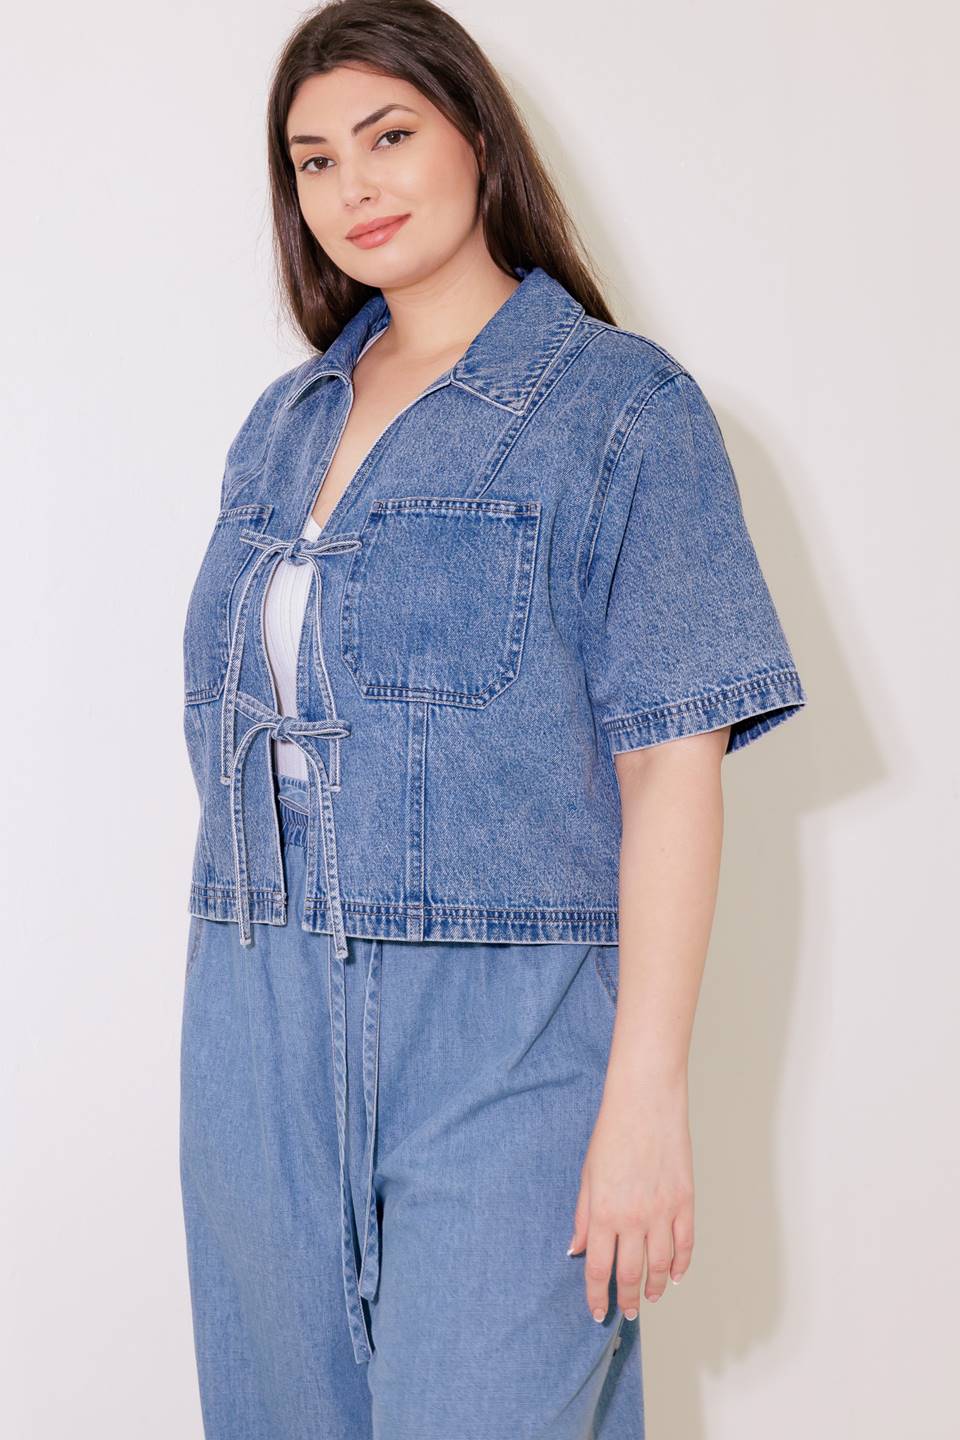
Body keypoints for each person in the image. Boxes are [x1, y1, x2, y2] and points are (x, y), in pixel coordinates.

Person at [177, 1, 807, 1435]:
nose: (355, 186)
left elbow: (673, 774)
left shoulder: (623, 413)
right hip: (253, 1022)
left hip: (508, 1038)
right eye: (315, 160)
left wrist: (645, 1098)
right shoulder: (282, 423)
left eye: (389, 136)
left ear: (476, 135)